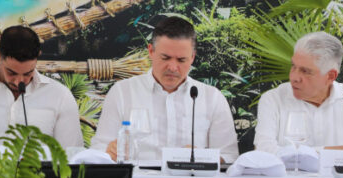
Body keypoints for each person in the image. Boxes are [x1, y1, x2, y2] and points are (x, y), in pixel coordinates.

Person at [92, 16, 238, 162]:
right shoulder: (122, 93)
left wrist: (200, 157)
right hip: (137, 177)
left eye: (181, 60)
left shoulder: (212, 98)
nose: (172, 67)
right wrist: (108, 152)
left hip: (191, 177)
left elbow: (229, 157)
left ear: (192, 57)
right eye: (165, 58)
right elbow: (98, 149)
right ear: (151, 51)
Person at [254, 32, 343, 155]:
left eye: (305, 71)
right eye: (293, 66)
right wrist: (333, 152)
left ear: (330, 76)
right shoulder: (273, 99)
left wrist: (297, 153)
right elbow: (264, 152)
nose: (294, 77)